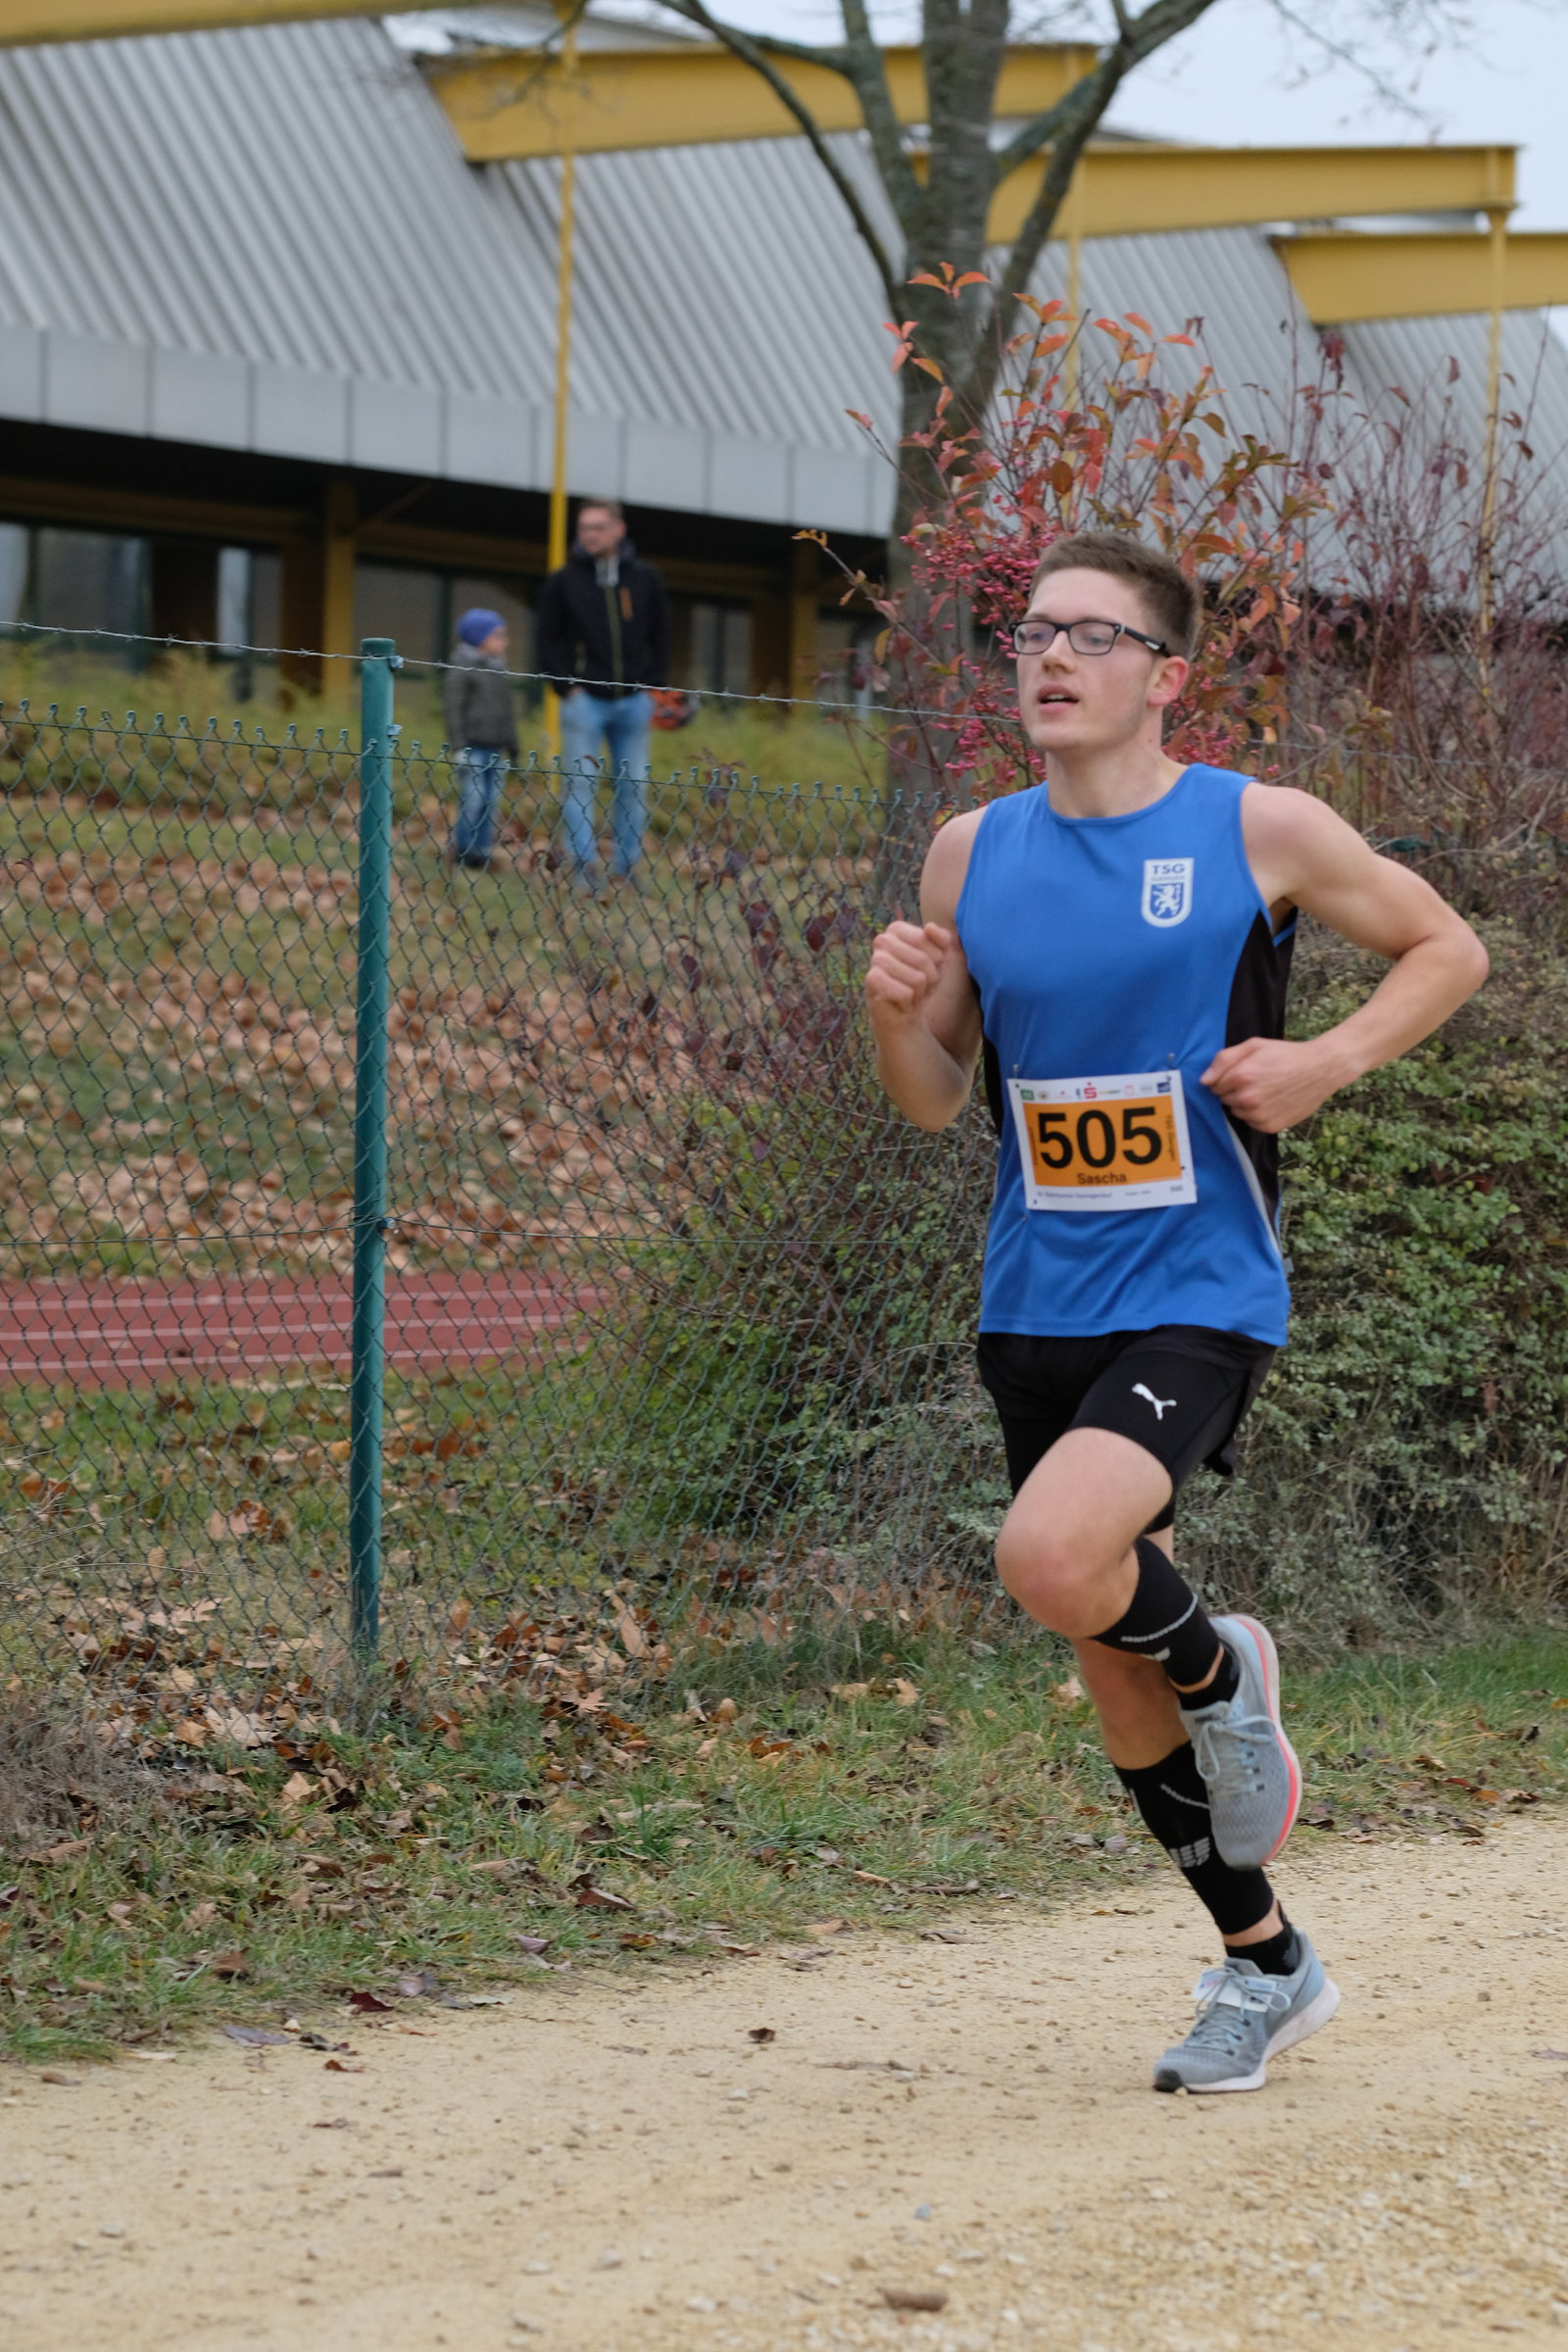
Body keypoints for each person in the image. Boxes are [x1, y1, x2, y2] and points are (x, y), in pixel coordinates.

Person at [864, 529, 1488, 2094]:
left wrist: (1326, 1060)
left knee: (1049, 1559)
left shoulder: (1254, 826)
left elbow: (1447, 947)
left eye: (1092, 635)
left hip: (1201, 1284)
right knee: (1102, 1653)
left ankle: (1222, 1670)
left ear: (1166, 677)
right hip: (1036, 1293)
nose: (1050, 658)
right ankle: (1266, 1964)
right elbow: (934, 1099)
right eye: (1031, 632)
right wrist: (891, 1016)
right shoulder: (968, 854)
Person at [535, 499, 670, 889]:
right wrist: (567, 687)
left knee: (633, 786)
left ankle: (627, 869)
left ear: (618, 530)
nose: (590, 535)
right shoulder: (564, 581)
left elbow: (662, 633)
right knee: (580, 784)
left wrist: (653, 686)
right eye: (584, 528)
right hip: (585, 703)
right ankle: (584, 869)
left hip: (634, 701)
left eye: (598, 527)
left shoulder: (645, 579)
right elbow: (548, 638)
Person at [444, 607, 518, 869]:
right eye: (498, 636)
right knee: (473, 799)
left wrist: (513, 745)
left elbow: (507, 712)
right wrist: (458, 746)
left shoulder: (499, 669)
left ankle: (482, 850)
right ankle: (465, 850)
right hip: (472, 747)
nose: (505, 641)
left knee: (491, 802)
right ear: (479, 637)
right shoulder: (462, 668)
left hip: (495, 748)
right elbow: (453, 709)